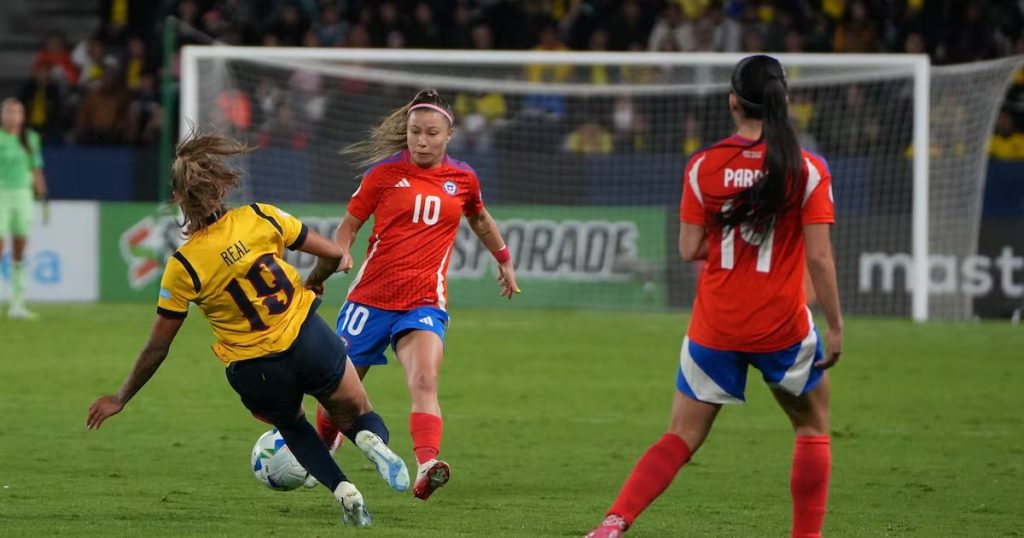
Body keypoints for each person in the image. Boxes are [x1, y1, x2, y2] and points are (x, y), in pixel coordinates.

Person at [85, 130, 410, 527]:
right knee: (356, 412)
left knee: (293, 425)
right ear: (221, 187)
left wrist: (121, 397)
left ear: (177, 199)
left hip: (254, 369)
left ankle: (345, 491)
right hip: (306, 337)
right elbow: (334, 254)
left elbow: (157, 347)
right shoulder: (260, 216)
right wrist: (314, 280)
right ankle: (370, 441)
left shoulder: (182, 266)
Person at [585, 55, 843, 538]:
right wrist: (835, 324)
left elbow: (688, 248)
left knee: (681, 434)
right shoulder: (807, 169)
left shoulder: (704, 165)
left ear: (732, 102)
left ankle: (614, 523)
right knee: (811, 428)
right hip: (781, 325)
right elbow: (821, 258)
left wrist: (730, 238)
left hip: (716, 324)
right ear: (783, 101)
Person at [306, 89, 520, 501]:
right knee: (338, 392)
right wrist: (344, 249)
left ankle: (426, 465)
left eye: (431, 133)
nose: (421, 140)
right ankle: (323, 447)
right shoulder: (383, 175)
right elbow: (349, 224)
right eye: (414, 132)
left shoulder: (463, 179)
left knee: (424, 379)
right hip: (369, 300)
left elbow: (480, 218)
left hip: (424, 302)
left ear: (449, 135)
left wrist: (504, 259)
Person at [0, 98, 48, 320]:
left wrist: (43, 195)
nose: (12, 115)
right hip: (2, 193)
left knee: (19, 249)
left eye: (16, 111)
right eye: (8, 111)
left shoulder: (30, 139)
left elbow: (35, 168)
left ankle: (17, 305)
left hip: (23, 196)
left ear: (22, 116)